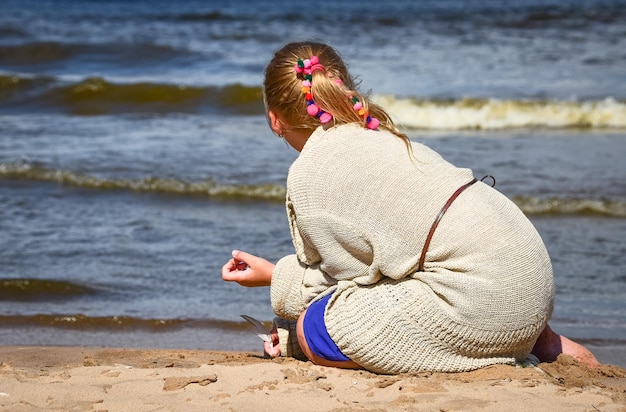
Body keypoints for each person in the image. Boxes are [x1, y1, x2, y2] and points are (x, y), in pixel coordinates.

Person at [222, 41, 600, 374]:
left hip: (484, 294)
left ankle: (500, 336)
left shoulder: (310, 174)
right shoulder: (378, 134)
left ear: (275, 120)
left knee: (311, 328)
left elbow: (347, 283)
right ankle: (542, 340)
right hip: (527, 266)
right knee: (432, 256)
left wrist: (278, 283)